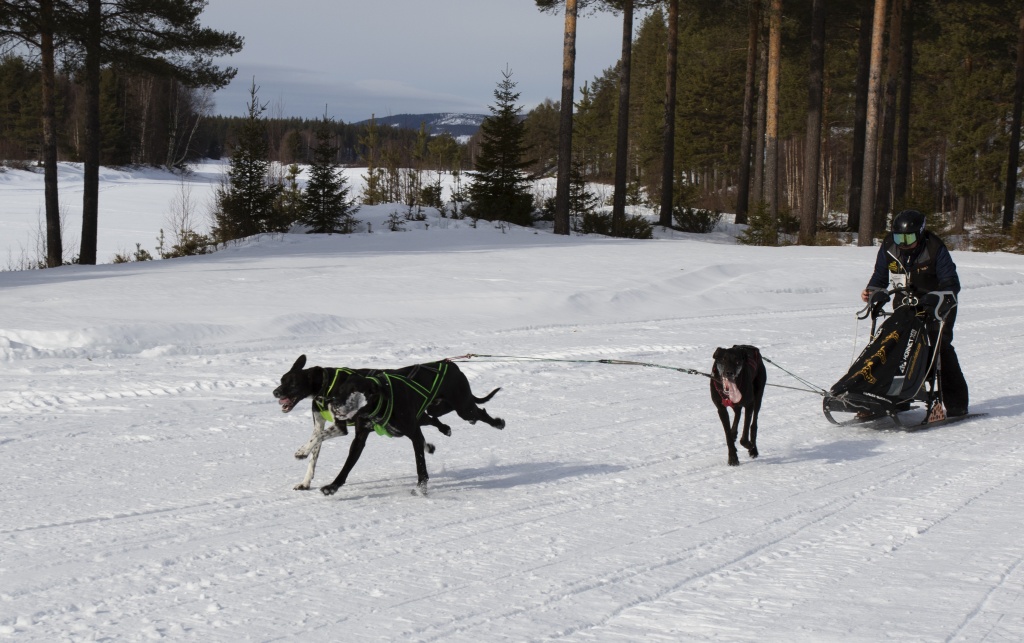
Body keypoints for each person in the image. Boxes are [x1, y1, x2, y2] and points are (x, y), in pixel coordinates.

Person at [860, 209, 969, 416]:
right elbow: (880, 277)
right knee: (894, 345)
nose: (903, 243)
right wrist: (873, 293)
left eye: (908, 238)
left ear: (919, 234)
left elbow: (951, 283)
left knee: (940, 348)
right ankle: (893, 398)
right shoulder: (889, 246)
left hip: (937, 304)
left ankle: (956, 403)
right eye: (898, 237)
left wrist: (936, 297)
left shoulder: (935, 247)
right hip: (905, 303)